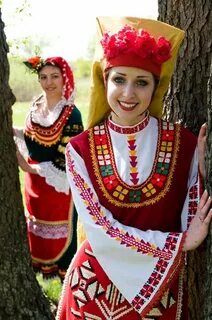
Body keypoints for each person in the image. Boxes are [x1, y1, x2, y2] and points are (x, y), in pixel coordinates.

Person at [56, 17, 212, 319]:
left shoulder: (185, 143)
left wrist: (204, 169)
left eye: (141, 82)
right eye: (119, 79)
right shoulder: (79, 149)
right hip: (92, 288)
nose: (128, 93)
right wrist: (179, 242)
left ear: (155, 87)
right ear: (105, 81)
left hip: (159, 293)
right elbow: (100, 229)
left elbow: (193, 205)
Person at [13, 56, 83, 280]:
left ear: (64, 79)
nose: (49, 82)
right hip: (35, 187)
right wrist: (13, 132)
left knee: (62, 232)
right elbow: (33, 140)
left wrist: (28, 168)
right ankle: (42, 271)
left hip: (58, 185)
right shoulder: (35, 106)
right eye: (43, 77)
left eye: (54, 76)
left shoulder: (72, 113)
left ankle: (67, 283)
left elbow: (66, 158)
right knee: (36, 229)